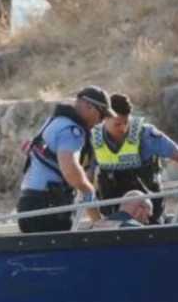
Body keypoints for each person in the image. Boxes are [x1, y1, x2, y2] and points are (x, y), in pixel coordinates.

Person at [91, 93, 178, 223]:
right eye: (118, 124)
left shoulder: (146, 135)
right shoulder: (94, 139)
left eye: (126, 122)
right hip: (113, 213)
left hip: (149, 212)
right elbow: (85, 184)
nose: (123, 128)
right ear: (105, 119)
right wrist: (97, 221)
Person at [17, 86, 115, 233]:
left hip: (28, 204)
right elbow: (70, 170)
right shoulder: (72, 131)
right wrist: (88, 190)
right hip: (48, 208)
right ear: (90, 107)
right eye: (101, 116)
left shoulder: (55, 122)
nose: (100, 122)